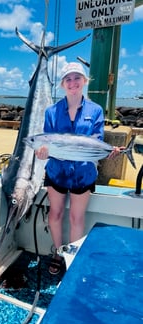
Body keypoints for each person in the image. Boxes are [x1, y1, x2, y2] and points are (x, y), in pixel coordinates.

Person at [35, 62, 120, 275]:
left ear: (84, 81)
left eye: (77, 78)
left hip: (84, 174)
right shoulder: (52, 112)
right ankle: (57, 252)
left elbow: (97, 140)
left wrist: (108, 151)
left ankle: (71, 257)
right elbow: (48, 141)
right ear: (63, 84)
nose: (73, 83)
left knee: (76, 218)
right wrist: (42, 151)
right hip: (56, 172)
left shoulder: (96, 110)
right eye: (68, 79)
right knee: (54, 215)